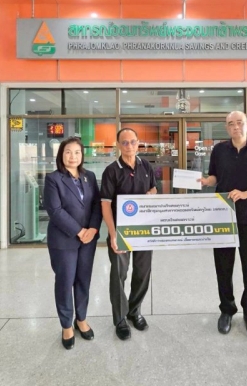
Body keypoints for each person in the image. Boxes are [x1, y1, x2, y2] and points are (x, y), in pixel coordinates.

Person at [199, 111, 247, 339]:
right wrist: (206, 181)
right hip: (222, 217)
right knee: (223, 267)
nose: (235, 127)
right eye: (231, 124)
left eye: (240, 123)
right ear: (227, 127)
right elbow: (215, 177)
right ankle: (227, 310)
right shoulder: (219, 150)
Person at [44, 137, 102, 350]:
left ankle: (82, 319)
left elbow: (97, 204)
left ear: (82, 155)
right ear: (61, 154)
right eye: (68, 152)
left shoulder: (89, 176)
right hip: (64, 240)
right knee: (65, 281)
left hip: (89, 240)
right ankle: (66, 324)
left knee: (83, 280)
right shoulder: (53, 179)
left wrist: (93, 228)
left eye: (77, 152)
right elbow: (55, 210)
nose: (73, 156)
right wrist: (79, 231)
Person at [100, 127, 157, 340]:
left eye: (132, 141)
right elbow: (105, 204)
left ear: (138, 142)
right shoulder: (111, 171)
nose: (129, 146)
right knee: (119, 275)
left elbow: (154, 189)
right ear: (118, 145)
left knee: (142, 272)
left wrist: (151, 193)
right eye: (124, 142)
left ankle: (135, 311)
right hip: (121, 232)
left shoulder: (146, 166)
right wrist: (113, 234)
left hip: (144, 230)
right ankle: (120, 318)